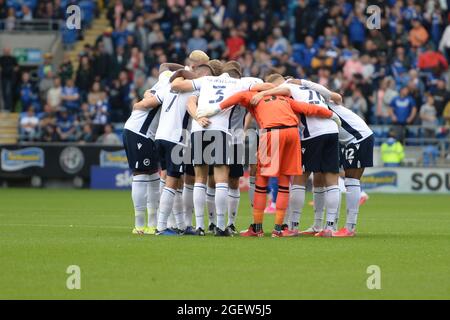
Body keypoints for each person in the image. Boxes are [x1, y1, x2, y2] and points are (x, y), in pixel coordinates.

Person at [197, 74, 339, 237]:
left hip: (272, 133)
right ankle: (279, 229)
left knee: (261, 181)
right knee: (285, 181)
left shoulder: (253, 95)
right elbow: (306, 108)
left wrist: (214, 109)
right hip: (293, 134)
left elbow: (237, 96)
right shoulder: (284, 98)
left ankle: (257, 228)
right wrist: (331, 115)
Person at [171, 61, 271, 236]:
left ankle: (200, 226)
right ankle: (221, 226)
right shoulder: (240, 83)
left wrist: (180, 72)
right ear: (238, 74)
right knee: (222, 179)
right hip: (221, 131)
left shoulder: (207, 80)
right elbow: (268, 85)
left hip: (198, 129)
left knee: (200, 179)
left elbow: (177, 86)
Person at [251, 75, 342, 237]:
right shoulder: (311, 87)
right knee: (331, 179)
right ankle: (329, 226)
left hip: (313, 134)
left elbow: (283, 90)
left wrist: (261, 94)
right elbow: (336, 97)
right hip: (332, 131)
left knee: (300, 178)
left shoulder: (287, 88)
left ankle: (293, 226)